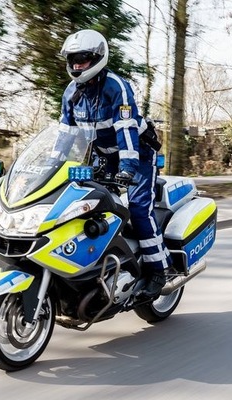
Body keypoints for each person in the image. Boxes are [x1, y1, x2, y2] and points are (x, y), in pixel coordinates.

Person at [58, 29, 172, 298]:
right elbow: (64, 135)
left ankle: (159, 269)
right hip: (103, 155)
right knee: (87, 206)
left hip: (138, 154)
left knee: (139, 209)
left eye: (83, 59)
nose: (77, 65)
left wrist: (128, 169)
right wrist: (53, 167)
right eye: (73, 59)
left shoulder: (115, 87)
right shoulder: (71, 92)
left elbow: (126, 130)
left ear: (98, 57)